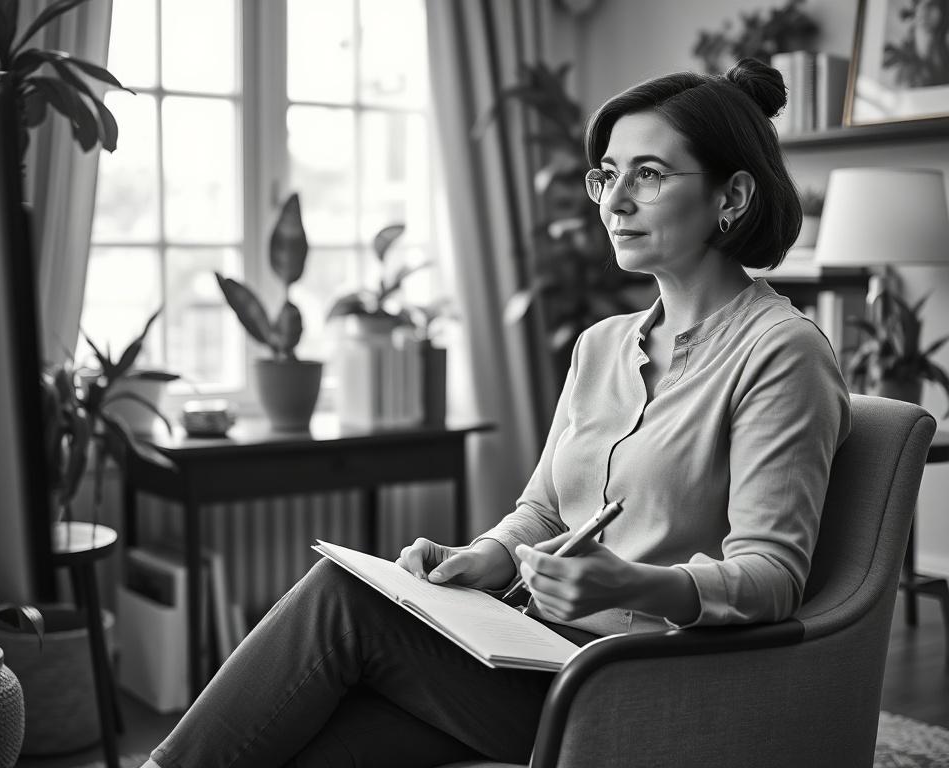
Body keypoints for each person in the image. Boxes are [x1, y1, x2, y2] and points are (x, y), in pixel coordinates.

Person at [141, 57, 850, 768]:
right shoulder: (601, 346)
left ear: (733, 196)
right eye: (607, 175)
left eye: (649, 175)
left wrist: (634, 583)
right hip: (535, 653)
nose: (614, 202)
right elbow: (541, 512)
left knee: (342, 600)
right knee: (311, 744)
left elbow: (772, 577)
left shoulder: (782, 352)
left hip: (638, 683)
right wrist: (482, 557)